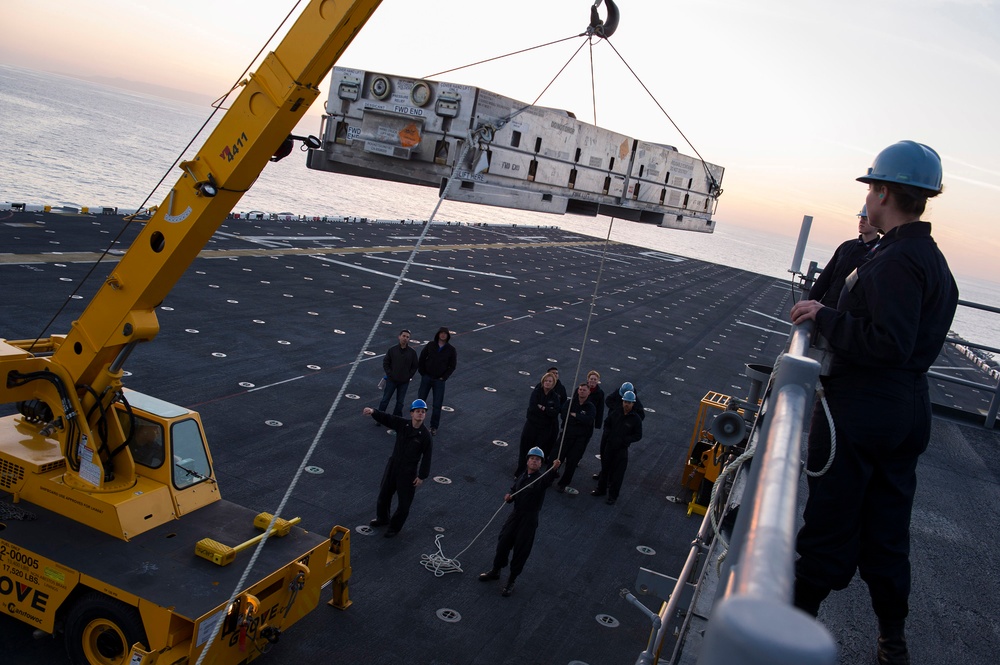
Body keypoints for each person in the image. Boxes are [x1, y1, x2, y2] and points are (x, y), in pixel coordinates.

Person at [789, 141, 958, 665]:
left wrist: (824, 313)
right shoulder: (932, 260)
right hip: (908, 409)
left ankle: (792, 632)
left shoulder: (894, 261)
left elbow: (889, 342)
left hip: (862, 410)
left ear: (883, 191)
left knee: (829, 524)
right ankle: (892, 641)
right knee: (887, 530)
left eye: (871, 190)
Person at [479, 447, 561, 596]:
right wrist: (510, 495)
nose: (534, 461)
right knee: (503, 541)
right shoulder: (523, 476)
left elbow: (548, 481)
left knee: (521, 550)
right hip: (515, 515)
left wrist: (554, 469)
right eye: (532, 458)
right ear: (527, 460)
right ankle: (496, 570)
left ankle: (511, 580)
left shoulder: (540, 479)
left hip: (529, 519)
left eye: (537, 460)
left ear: (541, 464)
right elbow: (514, 489)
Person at [362, 399, 434, 538]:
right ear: (412, 413)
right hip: (394, 465)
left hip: (409, 471)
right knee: (384, 494)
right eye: (418, 411)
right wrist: (373, 412)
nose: (420, 414)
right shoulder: (403, 424)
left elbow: (427, 456)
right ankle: (382, 518)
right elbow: (388, 418)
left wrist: (422, 476)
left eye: (423, 412)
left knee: (404, 503)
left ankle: (394, 527)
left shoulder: (425, 436)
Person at [808, 205, 881, 308]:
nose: (861, 221)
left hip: (851, 317)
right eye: (861, 218)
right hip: (828, 308)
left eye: (866, 218)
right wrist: (810, 302)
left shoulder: (881, 252)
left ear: (877, 222)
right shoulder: (846, 247)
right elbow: (824, 279)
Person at [591, 390, 643, 505]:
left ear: (633, 404)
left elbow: (638, 435)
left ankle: (613, 496)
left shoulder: (635, 419)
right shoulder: (616, 412)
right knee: (605, 469)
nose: (626, 404)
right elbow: (607, 423)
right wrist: (609, 434)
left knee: (618, 474)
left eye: (629, 402)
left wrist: (625, 440)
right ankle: (601, 489)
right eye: (625, 402)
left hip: (621, 449)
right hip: (610, 446)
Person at [515, 371, 562, 477]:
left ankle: (532, 473)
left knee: (537, 451)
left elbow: (555, 412)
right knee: (525, 448)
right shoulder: (536, 392)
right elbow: (532, 408)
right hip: (531, 425)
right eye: (546, 380)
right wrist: (547, 411)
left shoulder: (555, 397)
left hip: (544, 429)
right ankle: (520, 471)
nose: (547, 383)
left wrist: (542, 408)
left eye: (550, 381)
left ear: (553, 383)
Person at [556, 383, 596, 493]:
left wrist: (575, 416)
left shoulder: (591, 407)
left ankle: (563, 483)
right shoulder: (570, 403)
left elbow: (589, 420)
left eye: (584, 390)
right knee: (557, 457)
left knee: (571, 462)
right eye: (580, 389)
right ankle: (550, 477)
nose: (582, 391)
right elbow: (564, 415)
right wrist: (579, 419)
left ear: (589, 392)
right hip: (566, 435)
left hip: (579, 439)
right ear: (577, 391)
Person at [417, 326, 457, 435]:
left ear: (448, 336)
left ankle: (433, 427)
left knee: (437, 404)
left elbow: (452, 366)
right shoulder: (430, 345)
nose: (443, 335)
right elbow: (421, 358)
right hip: (427, 377)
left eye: (445, 333)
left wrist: (443, 377)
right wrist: (423, 373)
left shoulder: (451, 350)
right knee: (420, 401)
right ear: (438, 334)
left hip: (439, 381)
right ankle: (417, 424)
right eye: (441, 333)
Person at [378, 329, 419, 417]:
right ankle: (380, 417)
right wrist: (390, 374)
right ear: (399, 337)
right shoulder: (392, 350)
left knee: (400, 402)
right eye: (403, 336)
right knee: (385, 399)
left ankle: (396, 418)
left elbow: (415, 366)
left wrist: (408, 376)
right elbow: (386, 363)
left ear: (409, 339)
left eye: (407, 337)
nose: (405, 338)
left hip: (404, 382)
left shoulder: (412, 353)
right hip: (391, 380)